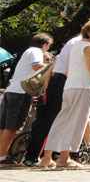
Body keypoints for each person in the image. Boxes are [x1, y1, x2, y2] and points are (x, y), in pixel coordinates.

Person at [39, 20, 90, 169]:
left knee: (63, 121)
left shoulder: (78, 45)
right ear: (89, 31)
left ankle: (48, 158)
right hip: (84, 88)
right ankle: (63, 159)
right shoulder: (89, 47)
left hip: (72, 87)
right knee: (75, 124)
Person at [23, 35, 85, 166]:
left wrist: (44, 90)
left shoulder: (60, 55)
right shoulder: (79, 44)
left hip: (51, 87)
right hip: (61, 84)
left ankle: (32, 157)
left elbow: (48, 73)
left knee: (42, 122)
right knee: (54, 121)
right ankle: (46, 157)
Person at [0, 33, 53, 165]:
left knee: (3, 126)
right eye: (48, 46)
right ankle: (2, 156)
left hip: (12, 90)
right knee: (12, 127)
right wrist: (51, 65)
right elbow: (37, 66)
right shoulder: (36, 51)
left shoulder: (28, 51)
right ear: (45, 44)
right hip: (21, 93)